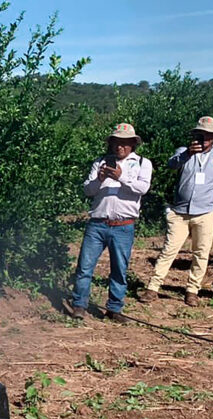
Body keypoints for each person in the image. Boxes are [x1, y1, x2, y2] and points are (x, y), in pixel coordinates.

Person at [138, 116, 213, 306]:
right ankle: (152, 288)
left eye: (209, 136)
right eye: (201, 135)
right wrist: (187, 155)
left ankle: (192, 291)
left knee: (201, 253)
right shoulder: (183, 152)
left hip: (206, 212)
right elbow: (171, 164)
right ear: (195, 135)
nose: (205, 139)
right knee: (169, 250)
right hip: (180, 213)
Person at [64, 123, 152, 322]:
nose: (120, 147)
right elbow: (88, 190)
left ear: (132, 144)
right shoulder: (100, 162)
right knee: (85, 267)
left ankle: (114, 309)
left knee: (119, 269)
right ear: (111, 144)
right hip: (97, 224)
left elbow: (142, 188)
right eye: (116, 142)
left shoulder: (142, 163)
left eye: (124, 143)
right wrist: (100, 179)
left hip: (123, 225)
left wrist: (122, 178)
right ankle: (79, 306)